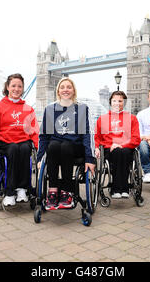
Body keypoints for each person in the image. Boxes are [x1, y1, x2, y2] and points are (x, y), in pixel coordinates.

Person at [37, 77, 95, 210]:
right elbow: (44, 136)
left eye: (69, 87)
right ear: (58, 91)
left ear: (73, 90)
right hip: (55, 147)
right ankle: (52, 191)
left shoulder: (82, 108)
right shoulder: (50, 108)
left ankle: (67, 191)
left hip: (75, 146)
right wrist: (40, 158)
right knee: (53, 145)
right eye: (62, 87)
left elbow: (88, 134)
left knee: (66, 146)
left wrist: (90, 158)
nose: (65, 90)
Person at [0, 73, 39, 207]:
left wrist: (41, 152)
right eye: (13, 85)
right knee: (14, 148)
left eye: (19, 86)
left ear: (23, 88)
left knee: (26, 148)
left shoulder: (28, 109)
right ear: (7, 87)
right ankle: (9, 192)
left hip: (23, 142)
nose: (16, 89)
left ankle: (22, 189)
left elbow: (34, 132)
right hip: (6, 143)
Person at [94, 91, 141, 198]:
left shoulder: (132, 118)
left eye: (120, 101)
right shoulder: (103, 119)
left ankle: (121, 188)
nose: (117, 103)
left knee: (121, 152)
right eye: (114, 100)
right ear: (110, 102)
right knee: (117, 152)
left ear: (124, 103)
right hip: (108, 149)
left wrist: (122, 144)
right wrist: (96, 147)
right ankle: (119, 188)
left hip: (127, 148)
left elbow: (136, 138)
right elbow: (97, 137)